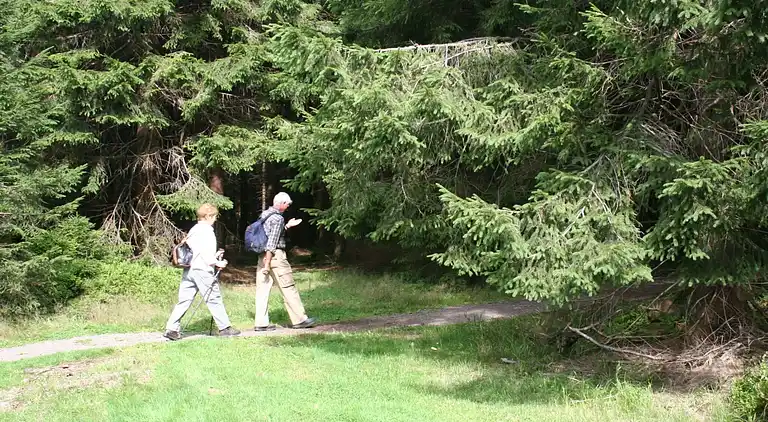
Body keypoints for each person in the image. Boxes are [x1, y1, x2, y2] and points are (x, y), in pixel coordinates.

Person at [164, 203, 241, 340]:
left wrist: (214, 256)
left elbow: (196, 250)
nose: (215, 219)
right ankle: (224, 328)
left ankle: (171, 328)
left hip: (190, 270)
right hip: (203, 270)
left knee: (184, 300)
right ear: (208, 216)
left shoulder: (194, 229)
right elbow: (206, 255)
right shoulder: (207, 231)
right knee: (214, 298)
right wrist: (218, 262)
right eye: (214, 216)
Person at [254, 192, 317, 331]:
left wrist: (287, 226)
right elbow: (272, 242)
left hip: (261, 256)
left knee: (262, 290)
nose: (288, 207)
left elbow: (270, 233)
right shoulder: (277, 218)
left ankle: (260, 323)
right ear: (281, 203)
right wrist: (268, 262)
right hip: (275, 257)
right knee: (288, 287)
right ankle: (299, 320)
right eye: (287, 204)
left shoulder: (264, 214)